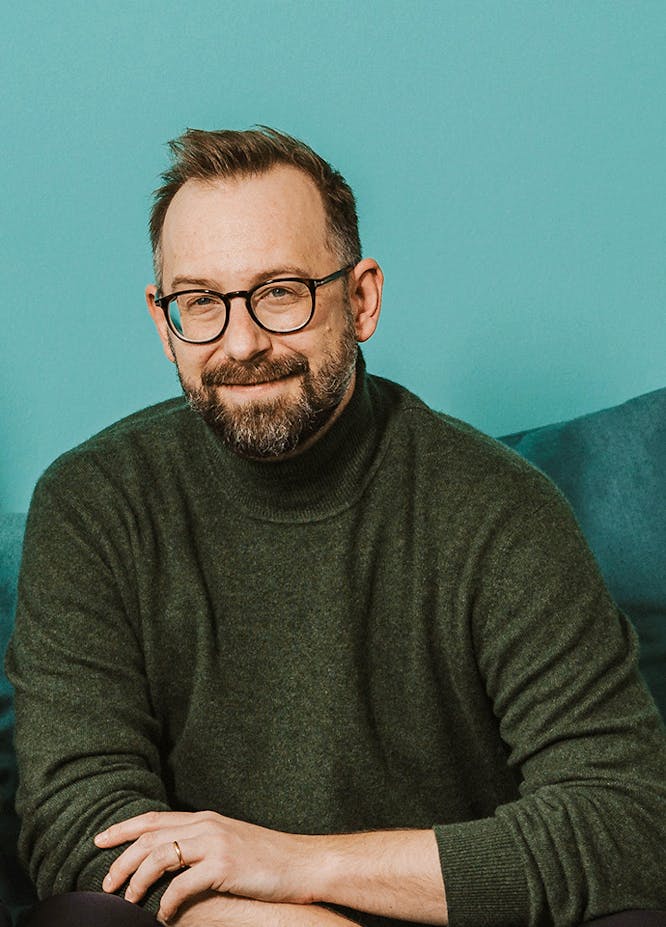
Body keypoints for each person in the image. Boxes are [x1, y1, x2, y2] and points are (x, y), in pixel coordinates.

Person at [6, 127, 666, 927]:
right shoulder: (94, 503)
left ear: (361, 298)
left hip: (441, 916)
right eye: (201, 304)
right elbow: (79, 824)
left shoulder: (498, 508)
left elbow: (626, 819)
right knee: (82, 919)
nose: (241, 343)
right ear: (161, 320)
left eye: (280, 291)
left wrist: (293, 863)